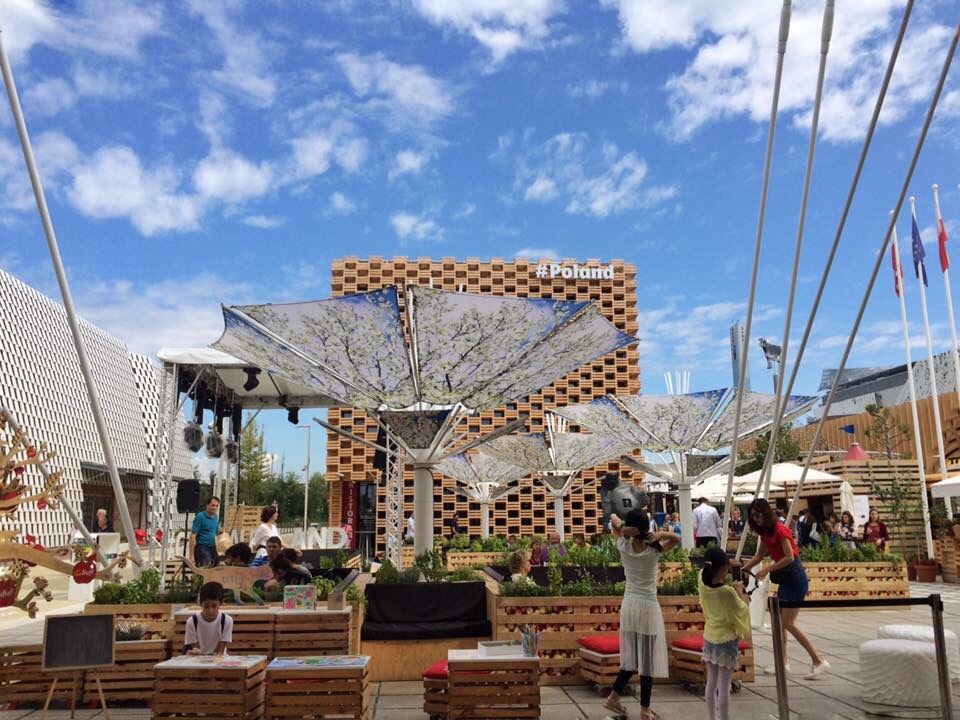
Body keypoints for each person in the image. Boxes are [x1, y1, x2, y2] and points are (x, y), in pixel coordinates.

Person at [741, 499, 829, 679]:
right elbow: (758, 557)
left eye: (757, 515)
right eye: (752, 516)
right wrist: (743, 569)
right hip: (784, 578)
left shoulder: (780, 530)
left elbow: (790, 557)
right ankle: (782, 663)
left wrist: (767, 569)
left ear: (765, 513)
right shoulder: (765, 533)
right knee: (778, 624)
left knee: (788, 623)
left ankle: (818, 660)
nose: (755, 519)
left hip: (795, 577)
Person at [605, 510, 677, 719]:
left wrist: (625, 528)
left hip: (629, 606)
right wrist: (661, 533)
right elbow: (676, 539)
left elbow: (613, 519)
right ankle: (644, 710)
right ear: (647, 528)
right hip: (648, 607)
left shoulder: (624, 547)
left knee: (633, 658)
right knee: (646, 661)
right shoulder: (654, 550)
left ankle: (614, 698)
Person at [699, 546, 750, 720]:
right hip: (727, 641)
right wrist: (740, 592)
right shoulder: (727, 592)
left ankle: (712, 717)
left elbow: (705, 569)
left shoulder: (702, 583)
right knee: (724, 686)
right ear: (722, 568)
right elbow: (742, 609)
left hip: (709, 638)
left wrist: (726, 563)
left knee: (711, 682)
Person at [184, 582, 233, 655]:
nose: (210, 610)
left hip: (219, 659)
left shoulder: (226, 621)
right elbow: (195, 650)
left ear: (221, 602)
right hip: (199, 659)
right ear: (201, 603)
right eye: (206, 606)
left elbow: (220, 652)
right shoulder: (192, 622)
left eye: (214, 606)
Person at [189, 497, 221, 567]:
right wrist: (191, 555)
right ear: (207, 505)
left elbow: (216, 532)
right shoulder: (200, 517)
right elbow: (192, 536)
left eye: (216, 506)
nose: (215, 508)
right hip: (202, 548)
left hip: (213, 548)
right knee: (206, 569)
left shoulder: (216, 517)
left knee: (217, 569)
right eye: (212, 505)